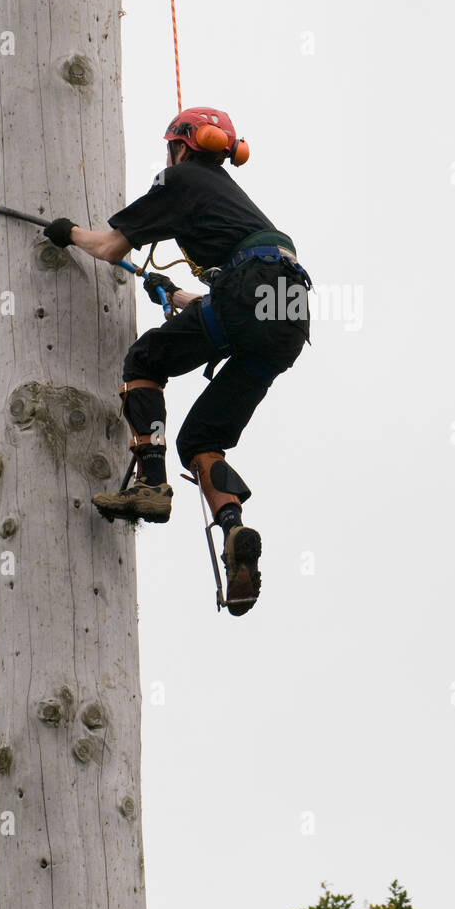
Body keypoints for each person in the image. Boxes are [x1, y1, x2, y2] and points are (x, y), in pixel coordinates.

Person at [42, 107, 311, 617]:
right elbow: (247, 294)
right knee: (202, 440)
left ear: (181, 146)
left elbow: (108, 246)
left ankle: (150, 483)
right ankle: (234, 529)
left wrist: (68, 232)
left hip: (247, 292)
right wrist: (175, 293)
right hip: (288, 313)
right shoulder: (228, 197)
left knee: (145, 358)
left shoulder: (180, 177)